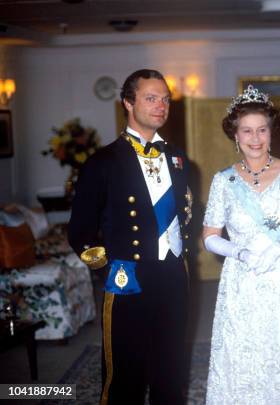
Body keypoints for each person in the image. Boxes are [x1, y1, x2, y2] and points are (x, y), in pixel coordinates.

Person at [68, 69, 192, 405]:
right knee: (125, 374)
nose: (161, 105)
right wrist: (109, 270)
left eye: (165, 99)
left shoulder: (178, 160)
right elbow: (79, 231)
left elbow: (185, 217)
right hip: (128, 278)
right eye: (151, 98)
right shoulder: (103, 161)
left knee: (171, 369)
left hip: (172, 276)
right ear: (128, 102)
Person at [202, 85, 280, 404]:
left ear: (273, 133)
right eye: (247, 131)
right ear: (235, 134)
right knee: (244, 359)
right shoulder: (223, 181)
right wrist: (239, 251)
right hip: (242, 282)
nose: (255, 138)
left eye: (262, 130)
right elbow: (210, 237)